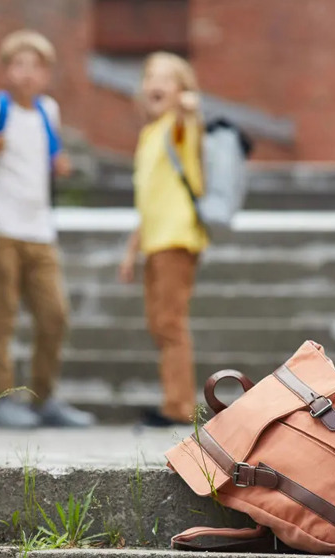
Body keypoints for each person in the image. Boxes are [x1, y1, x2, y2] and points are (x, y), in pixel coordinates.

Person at [0, 30, 94, 429]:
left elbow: (49, 152)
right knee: (2, 316)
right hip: (0, 230)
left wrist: (59, 163)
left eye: (36, 66)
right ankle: (1, 398)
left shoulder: (49, 110)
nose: (27, 74)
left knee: (54, 315)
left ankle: (44, 398)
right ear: (6, 70)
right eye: (18, 64)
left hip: (40, 231)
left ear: (46, 74)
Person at [118, 52, 206, 427]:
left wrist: (188, 107)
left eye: (166, 78)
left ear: (181, 89)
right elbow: (148, 199)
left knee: (170, 323)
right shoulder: (149, 134)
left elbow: (190, 121)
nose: (155, 83)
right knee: (159, 324)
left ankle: (179, 406)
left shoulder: (177, 127)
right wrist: (131, 251)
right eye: (149, 76)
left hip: (176, 238)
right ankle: (174, 400)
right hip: (154, 240)